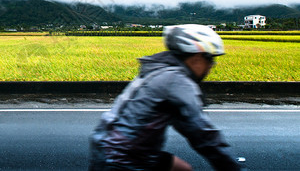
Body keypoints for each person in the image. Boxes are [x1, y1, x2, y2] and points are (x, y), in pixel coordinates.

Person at [89, 24, 241, 170]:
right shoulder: (176, 80)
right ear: (196, 56)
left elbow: (187, 124)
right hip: (123, 158)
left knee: (182, 168)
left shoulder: (159, 68)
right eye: (209, 58)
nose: (211, 65)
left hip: (112, 145)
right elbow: (204, 136)